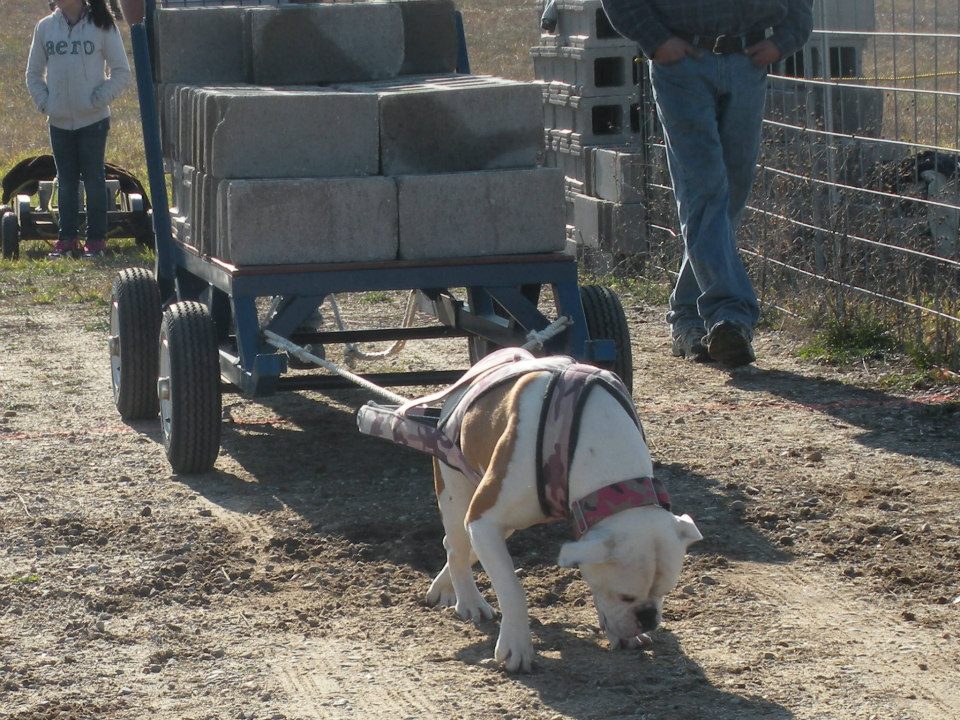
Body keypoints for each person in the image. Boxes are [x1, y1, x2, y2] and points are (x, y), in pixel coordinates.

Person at [599, 0, 813, 367]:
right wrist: (656, 40)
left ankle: (688, 319)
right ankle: (730, 314)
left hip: (748, 58)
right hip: (682, 61)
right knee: (705, 188)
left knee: (730, 192)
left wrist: (787, 38)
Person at [26, 0, 131, 258]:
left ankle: (96, 241)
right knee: (66, 180)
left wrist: (97, 100)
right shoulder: (45, 28)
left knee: (94, 179)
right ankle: (67, 240)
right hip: (59, 121)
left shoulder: (102, 25)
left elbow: (121, 72)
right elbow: (33, 73)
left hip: (93, 121)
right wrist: (46, 103)